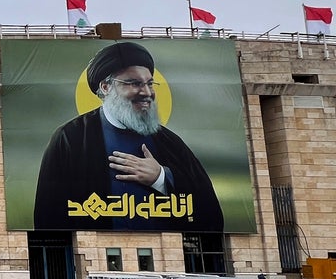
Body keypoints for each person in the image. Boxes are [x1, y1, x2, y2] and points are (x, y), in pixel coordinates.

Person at [33, 41, 223, 231]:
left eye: (150, 83)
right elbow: (48, 216)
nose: (147, 93)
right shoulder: (70, 138)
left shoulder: (169, 142)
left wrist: (161, 177)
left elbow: (210, 211)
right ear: (106, 87)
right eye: (134, 83)